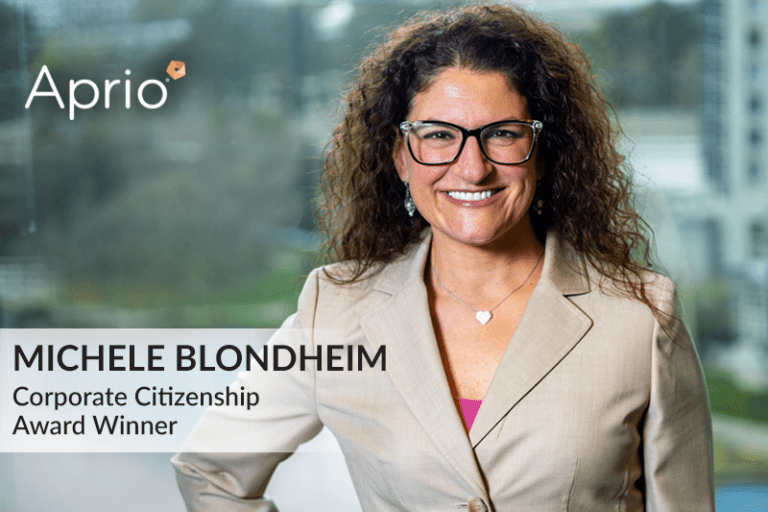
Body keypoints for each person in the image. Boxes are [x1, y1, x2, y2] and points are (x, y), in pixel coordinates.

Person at [172, 4, 714, 511]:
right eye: (437, 136)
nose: (472, 168)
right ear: (401, 159)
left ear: (543, 154)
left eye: (502, 134)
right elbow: (209, 467)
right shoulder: (335, 314)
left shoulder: (639, 317)